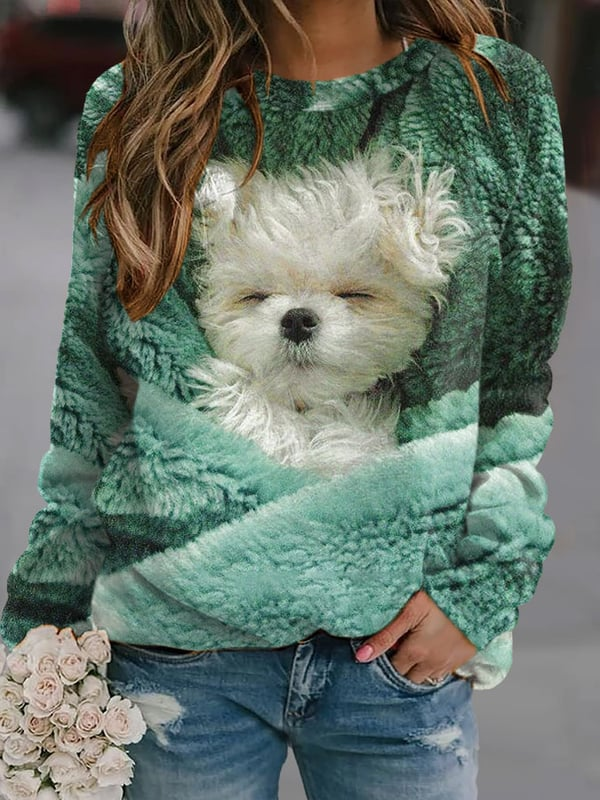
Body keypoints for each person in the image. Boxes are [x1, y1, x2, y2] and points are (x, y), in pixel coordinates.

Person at [0, 1, 572, 798]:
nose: (301, 318)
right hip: (174, 656)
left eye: (348, 296)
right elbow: (93, 398)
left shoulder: (489, 94)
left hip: (396, 655)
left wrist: (481, 591)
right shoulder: (140, 100)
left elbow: (513, 381)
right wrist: (41, 621)